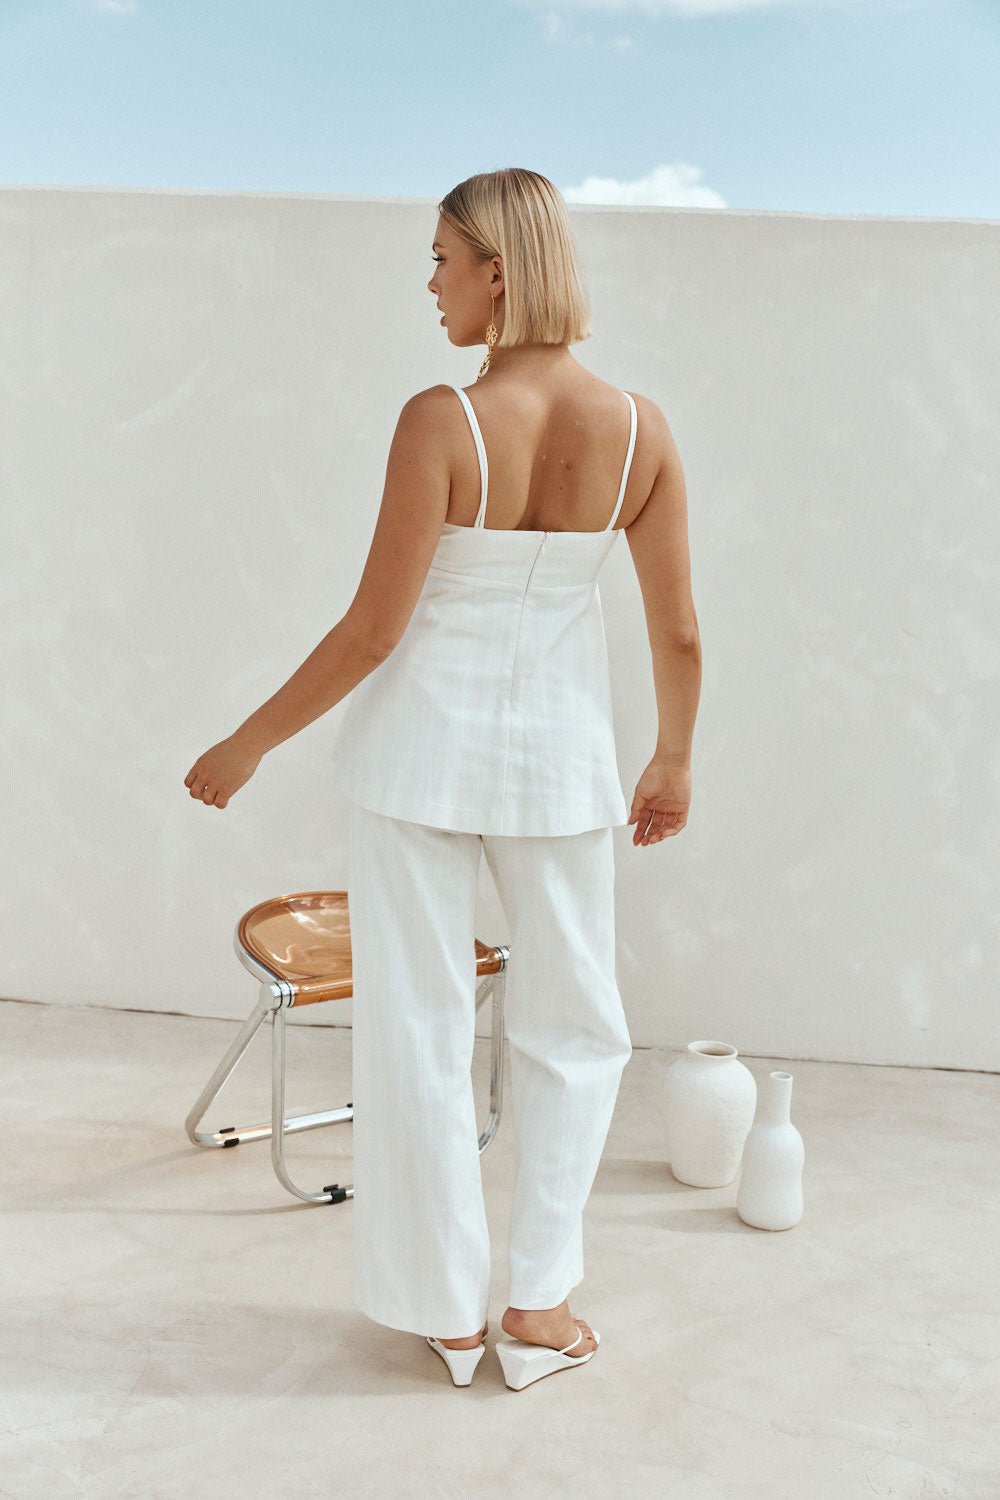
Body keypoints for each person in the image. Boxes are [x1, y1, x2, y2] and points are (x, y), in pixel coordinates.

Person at [184, 167, 701, 1390]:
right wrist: (672, 756)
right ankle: (539, 1308)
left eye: (439, 260)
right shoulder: (640, 429)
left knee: (418, 1029)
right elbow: (676, 629)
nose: (429, 285)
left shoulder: (441, 421)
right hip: (564, 772)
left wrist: (248, 741)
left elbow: (373, 631)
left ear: (497, 272)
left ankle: (445, 1316)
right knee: (577, 1031)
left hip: (417, 761)